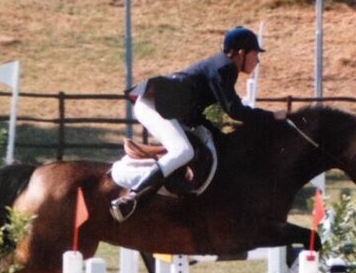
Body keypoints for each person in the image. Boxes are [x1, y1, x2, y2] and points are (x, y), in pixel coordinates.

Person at [110, 26, 286, 222]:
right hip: (153, 106)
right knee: (183, 151)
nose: (258, 60)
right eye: (255, 54)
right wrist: (272, 117)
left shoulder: (222, 66)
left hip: (170, 109)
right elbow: (234, 110)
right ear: (241, 53)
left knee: (209, 141)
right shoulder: (224, 67)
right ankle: (132, 197)